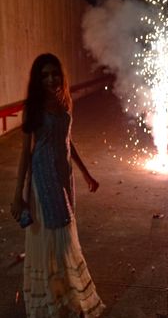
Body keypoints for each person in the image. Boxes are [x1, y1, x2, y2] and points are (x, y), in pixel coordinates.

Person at [11, 53, 105, 318]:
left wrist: (86, 173)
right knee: (55, 237)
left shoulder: (64, 102)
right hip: (43, 178)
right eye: (45, 75)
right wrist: (19, 194)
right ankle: (51, 298)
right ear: (37, 80)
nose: (51, 79)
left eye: (55, 74)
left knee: (62, 233)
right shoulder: (34, 108)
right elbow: (25, 153)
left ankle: (62, 292)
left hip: (65, 177)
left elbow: (67, 141)